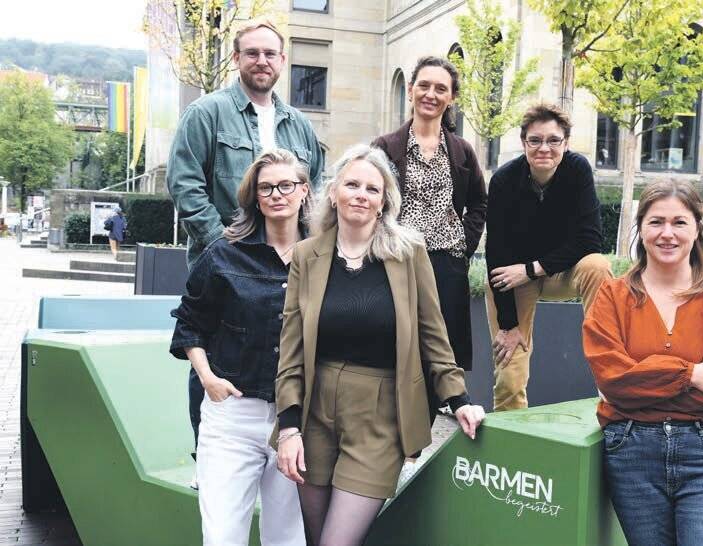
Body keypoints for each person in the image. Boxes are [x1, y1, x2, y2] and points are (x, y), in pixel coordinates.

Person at [273, 144, 485, 546]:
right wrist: (288, 429)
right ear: (333, 193)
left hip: (379, 413)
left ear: (384, 199)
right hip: (313, 413)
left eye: (372, 188)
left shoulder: (408, 252)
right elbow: (291, 350)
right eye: (352, 184)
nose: (361, 194)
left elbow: (432, 335)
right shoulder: (306, 255)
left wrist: (459, 399)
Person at [166, 19, 324, 462]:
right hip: (227, 263)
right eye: (252, 53)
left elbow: (315, 187)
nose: (261, 61)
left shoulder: (299, 125)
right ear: (236, 59)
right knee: (217, 352)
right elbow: (185, 184)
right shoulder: (206, 113)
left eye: (270, 54)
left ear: (282, 61)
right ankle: (208, 454)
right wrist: (226, 246)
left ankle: (278, 449)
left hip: (290, 258)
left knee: (280, 349)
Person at [583, 180, 703, 546]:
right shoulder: (612, 296)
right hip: (632, 453)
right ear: (640, 228)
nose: (666, 234)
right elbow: (612, 381)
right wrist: (693, 374)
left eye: (679, 222)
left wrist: (644, 384)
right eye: (656, 222)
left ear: (697, 229)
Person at [169, 150, 311, 546]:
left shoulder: (323, 258)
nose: (276, 194)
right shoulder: (224, 253)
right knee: (223, 536)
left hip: (297, 420)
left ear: (303, 191)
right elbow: (189, 322)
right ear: (254, 197)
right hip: (233, 415)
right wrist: (208, 378)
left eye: (286, 185)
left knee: (288, 538)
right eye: (266, 187)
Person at [485, 103, 612, 411]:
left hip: (558, 273)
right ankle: (511, 436)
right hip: (515, 281)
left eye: (553, 140)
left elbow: (591, 239)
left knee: (598, 265)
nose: (544, 148)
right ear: (523, 142)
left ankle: (609, 351)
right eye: (535, 140)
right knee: (509, 373)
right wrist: (508, 325)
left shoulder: (577, 170)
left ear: (565, 144)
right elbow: (496, 255)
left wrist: (532, 269)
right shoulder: (503, 181)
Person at [372, 56, 487, 380]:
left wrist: (464, 242)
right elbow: (371, 199)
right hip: (397, 260)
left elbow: (479, 202)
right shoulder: (385, 147)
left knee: (442, 356)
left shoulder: (461, 150)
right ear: (410, 90)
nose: (430, 94)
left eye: (441, 88)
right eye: (424, 85)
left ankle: (431, 421)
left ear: (451, 97)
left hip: (446, 264)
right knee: (393, 349)